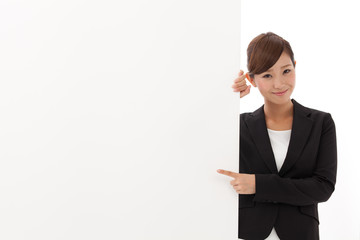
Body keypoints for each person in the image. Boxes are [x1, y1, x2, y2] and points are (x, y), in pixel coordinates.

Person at [217, 32, 337, 240]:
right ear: (251, 80)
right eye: (267, 75)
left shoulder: (321, 123)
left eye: (286, 71)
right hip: (248, 233)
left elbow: (323, 188)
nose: (279, 84)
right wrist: (226, 99)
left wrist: (258, 185)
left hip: (300, 233)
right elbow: (197, 140)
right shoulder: (239, 126)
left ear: (295, 66)